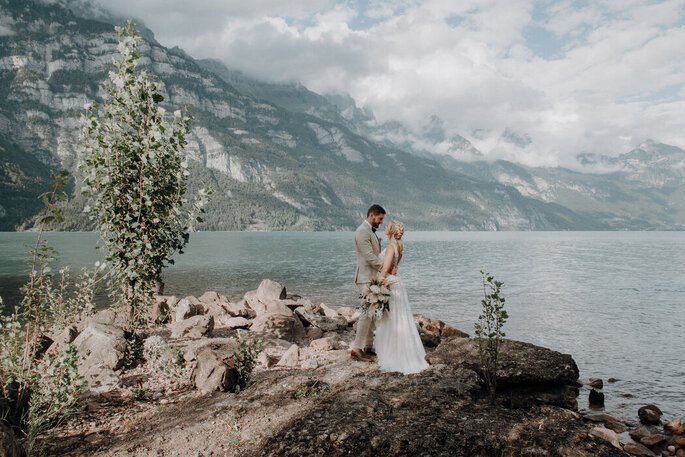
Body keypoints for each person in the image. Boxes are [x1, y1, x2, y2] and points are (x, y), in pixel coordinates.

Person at [373, 220, 429, 374]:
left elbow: (386, 269)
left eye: (387, 226)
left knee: (390, 320)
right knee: (399, 319)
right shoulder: (400, 247)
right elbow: (395, 267)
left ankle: (393, 355)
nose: (385, 227)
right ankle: (402, 351)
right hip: (397, 284)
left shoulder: (391, 247)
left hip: (389, 284)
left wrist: (377, 286)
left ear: (391, 231)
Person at [350, 204, 385, 362]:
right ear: (372, 215)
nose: (381, 222)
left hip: (372, 278)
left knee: (372, 314)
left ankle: (368, 347)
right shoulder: (362, 231)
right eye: (380, 218)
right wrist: (386, 267)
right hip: (364, 278)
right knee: (366, 313)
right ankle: (356, 349)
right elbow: (369, 256)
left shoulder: (370, 232)